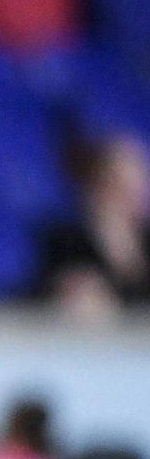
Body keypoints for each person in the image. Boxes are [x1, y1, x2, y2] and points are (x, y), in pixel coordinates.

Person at [31, 132, 149, 321]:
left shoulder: (145, 238)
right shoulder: (66, 238)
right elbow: (41, 292)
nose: (137, 192)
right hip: (85, 340)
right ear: (102, 182)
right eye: (126, 185)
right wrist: (67, 291)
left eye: (140, 182)